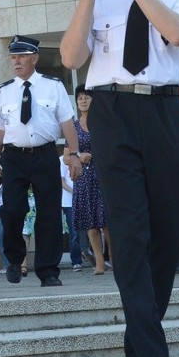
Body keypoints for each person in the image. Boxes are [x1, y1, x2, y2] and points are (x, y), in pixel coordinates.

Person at [58, 0, 179, 357]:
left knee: (166, 232)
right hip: (113, 112)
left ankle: (139, 340)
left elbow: (178, 36)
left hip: (163, 113)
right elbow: (73, 58)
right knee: (130, 232)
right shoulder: (104, 1)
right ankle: (154, 354)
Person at [0, 37, 82, 287]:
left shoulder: (53, 86)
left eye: (21, 56)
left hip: (45, 154)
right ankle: (15, 260)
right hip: (14, 156)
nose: (16, 61)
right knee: (13, 210)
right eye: (13, 57)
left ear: (35, 58)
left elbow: (67, 122)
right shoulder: (3, 91)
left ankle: (48, 271)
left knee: (49, 213)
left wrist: (73, 155)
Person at [71, 85, 111, 275]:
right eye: (80, 98)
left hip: (103, 174)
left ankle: (116, 259)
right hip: (84, 178)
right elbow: (66, 155)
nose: (83, 100)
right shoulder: (73, 126)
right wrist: (78, 156)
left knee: (107, 222)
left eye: (87, 97)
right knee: (91, 224)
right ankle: (99, 263)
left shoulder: (103, 121)